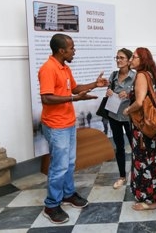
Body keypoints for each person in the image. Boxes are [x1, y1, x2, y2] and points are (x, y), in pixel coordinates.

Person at [38, 33, 109, 224]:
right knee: (59, 166)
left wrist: (95, 84)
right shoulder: (48, 69)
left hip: (68, 123)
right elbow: (46, 97)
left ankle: (68, 194)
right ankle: (51, 204)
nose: (74, 51)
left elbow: (75, 89)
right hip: (55, 125)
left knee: (69, 163)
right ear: (62, 50)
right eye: (72, 48)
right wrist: (74, 99)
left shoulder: (64, 67)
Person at [122, 47, 156, 211]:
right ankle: (152, 195)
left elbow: (140, 102)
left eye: (134, 57)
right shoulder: (150, 74)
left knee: (144, 160)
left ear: (143, 60)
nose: (131, 59)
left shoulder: (140, 75)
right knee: (151, 160)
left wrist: (128, 109)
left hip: (142, 128)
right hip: (150, 126)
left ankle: (149, 200)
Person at [106, 48, 136, 189]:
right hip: (114, 116)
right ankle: (122, 176)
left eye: (122, 57)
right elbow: (109, 93)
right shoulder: (113, 75)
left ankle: (138, 174)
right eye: (117, 57)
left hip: (129, 117)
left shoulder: (135, 77)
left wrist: (129, 95)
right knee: (119, 147)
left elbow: (142, 97)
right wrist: (109, 92)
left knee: (135, 146)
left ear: (129, 60)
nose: (118, 60)